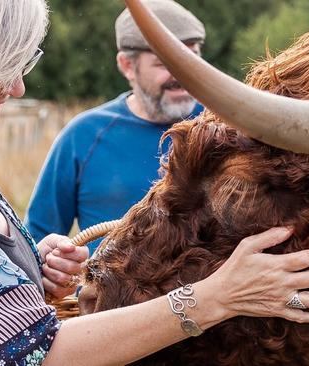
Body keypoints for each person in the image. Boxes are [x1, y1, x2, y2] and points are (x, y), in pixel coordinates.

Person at [0, 1, 309, 365]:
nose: (18, 88)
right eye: (2, 67)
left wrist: (34, 268)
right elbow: (34, 353)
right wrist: (218, 297)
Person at [26, 0, 206, 254]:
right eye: (164, 63)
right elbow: (37, 242)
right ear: (127, 65)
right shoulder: (83, 136)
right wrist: (55, 267)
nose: (182, 74)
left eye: (191, 58)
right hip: (108, 292)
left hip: (214, 294)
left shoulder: (223, 130)